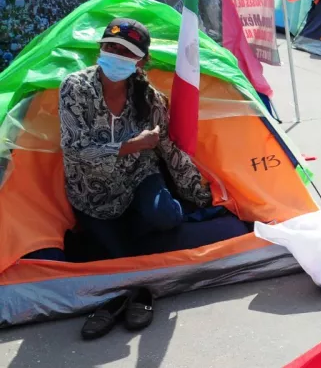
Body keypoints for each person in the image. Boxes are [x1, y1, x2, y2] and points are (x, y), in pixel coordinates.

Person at [59, 18, 212, 259]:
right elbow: (75, 150)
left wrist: (201, 196)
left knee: (166, 218)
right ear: (101, 48)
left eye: (127, 52)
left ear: (141, 60)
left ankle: (151, 214)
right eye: (111, 48)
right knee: (117, 256)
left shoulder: (151, 99)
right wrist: (134, 145)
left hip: (137, 179)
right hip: (91, 196)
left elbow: (170, 151)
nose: (117, 55)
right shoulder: (76, 88)